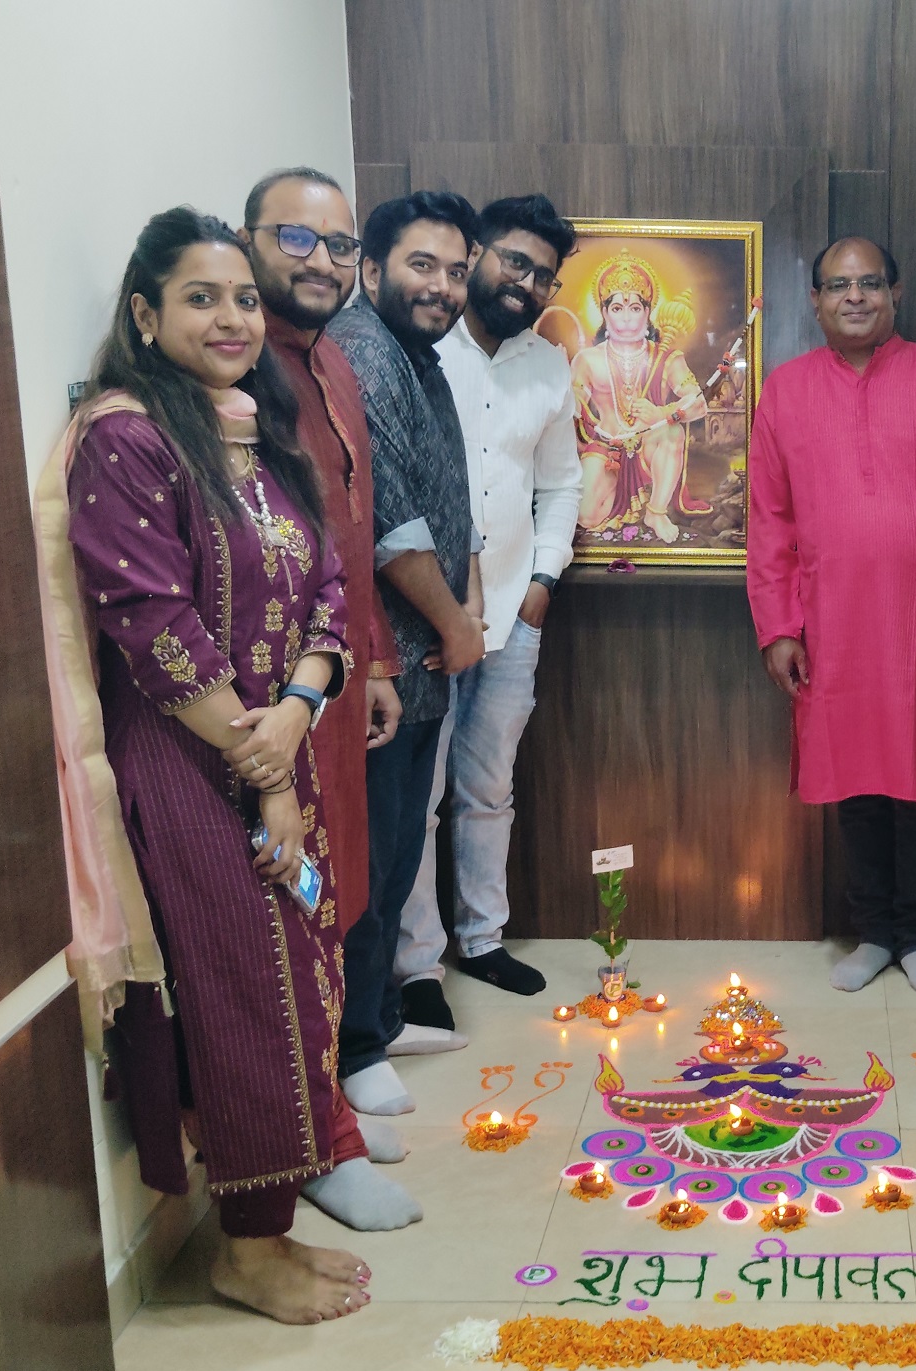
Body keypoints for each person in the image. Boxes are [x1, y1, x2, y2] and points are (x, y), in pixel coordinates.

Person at [37, 207, 373, 1322]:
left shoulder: (254, 433)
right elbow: (152, 622)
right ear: (145, 314)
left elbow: (326, 588)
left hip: (271, 746)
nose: (230, 318)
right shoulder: (128, 440)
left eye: (240, 298)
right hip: (187, 764)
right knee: (242, 990)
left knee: (299, 975)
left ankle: (268, 1223)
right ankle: (247, 1249)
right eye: (199, 298)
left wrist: (299, 710)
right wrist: (264, 765)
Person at [747, 238, 916, 999]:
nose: (854, 297)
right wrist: (779, 626)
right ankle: (873, 932)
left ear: (896, 291)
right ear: (816, 301)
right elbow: (769, 519)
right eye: (838, 285)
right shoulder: (786, 392)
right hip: (832, 624)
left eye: (868, 283)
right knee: (854, 779)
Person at [243, 166, 426, 1231]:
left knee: (343, 890)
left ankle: (331, 1110)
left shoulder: (333, 361)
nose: (323, 261)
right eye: (297, 239)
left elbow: (346, 542)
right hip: (276, 699)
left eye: (338, 244)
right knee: (291, 909)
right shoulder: (236, 373)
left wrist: (379, 660)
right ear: (249, 241)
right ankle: (312, 1139)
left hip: (340, 679)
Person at [394, 195, 582, 1018]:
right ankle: (416, 966)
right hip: (424, 619)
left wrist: (541, 585)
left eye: (543, 274)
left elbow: (561, 484)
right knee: (418, 795)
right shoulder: (420, 351)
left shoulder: (547, 366)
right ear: (476, 256)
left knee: (488, 786)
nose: (526, 282)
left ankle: (482, 938)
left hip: (512, 616)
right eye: (514, 261)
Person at [329, 191, 484, 1115]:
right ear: (372, 268)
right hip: (384, 667)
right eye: (422, 265)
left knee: (394, 858)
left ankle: (380, 1019)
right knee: (371, 862)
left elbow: (450, 495)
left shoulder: (416, 355)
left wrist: (466, 607)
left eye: (455, 271)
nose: (443, 286)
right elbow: (391, 523)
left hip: (424, 665)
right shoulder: (361, 353)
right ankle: (354, 1048)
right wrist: (458, 623)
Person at [569, 251, 710, 542]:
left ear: (647, 312)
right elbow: (574, 408)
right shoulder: (587, 359)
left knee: (672, 433)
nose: (626, 318)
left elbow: (698, 404)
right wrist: (565, 392)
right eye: (617, 308)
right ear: (604, 312)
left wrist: (662, 413)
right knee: (586, 515)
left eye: (635, 308)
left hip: (649, 445)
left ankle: (656, 511)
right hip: (606, 447)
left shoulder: (667, 358)